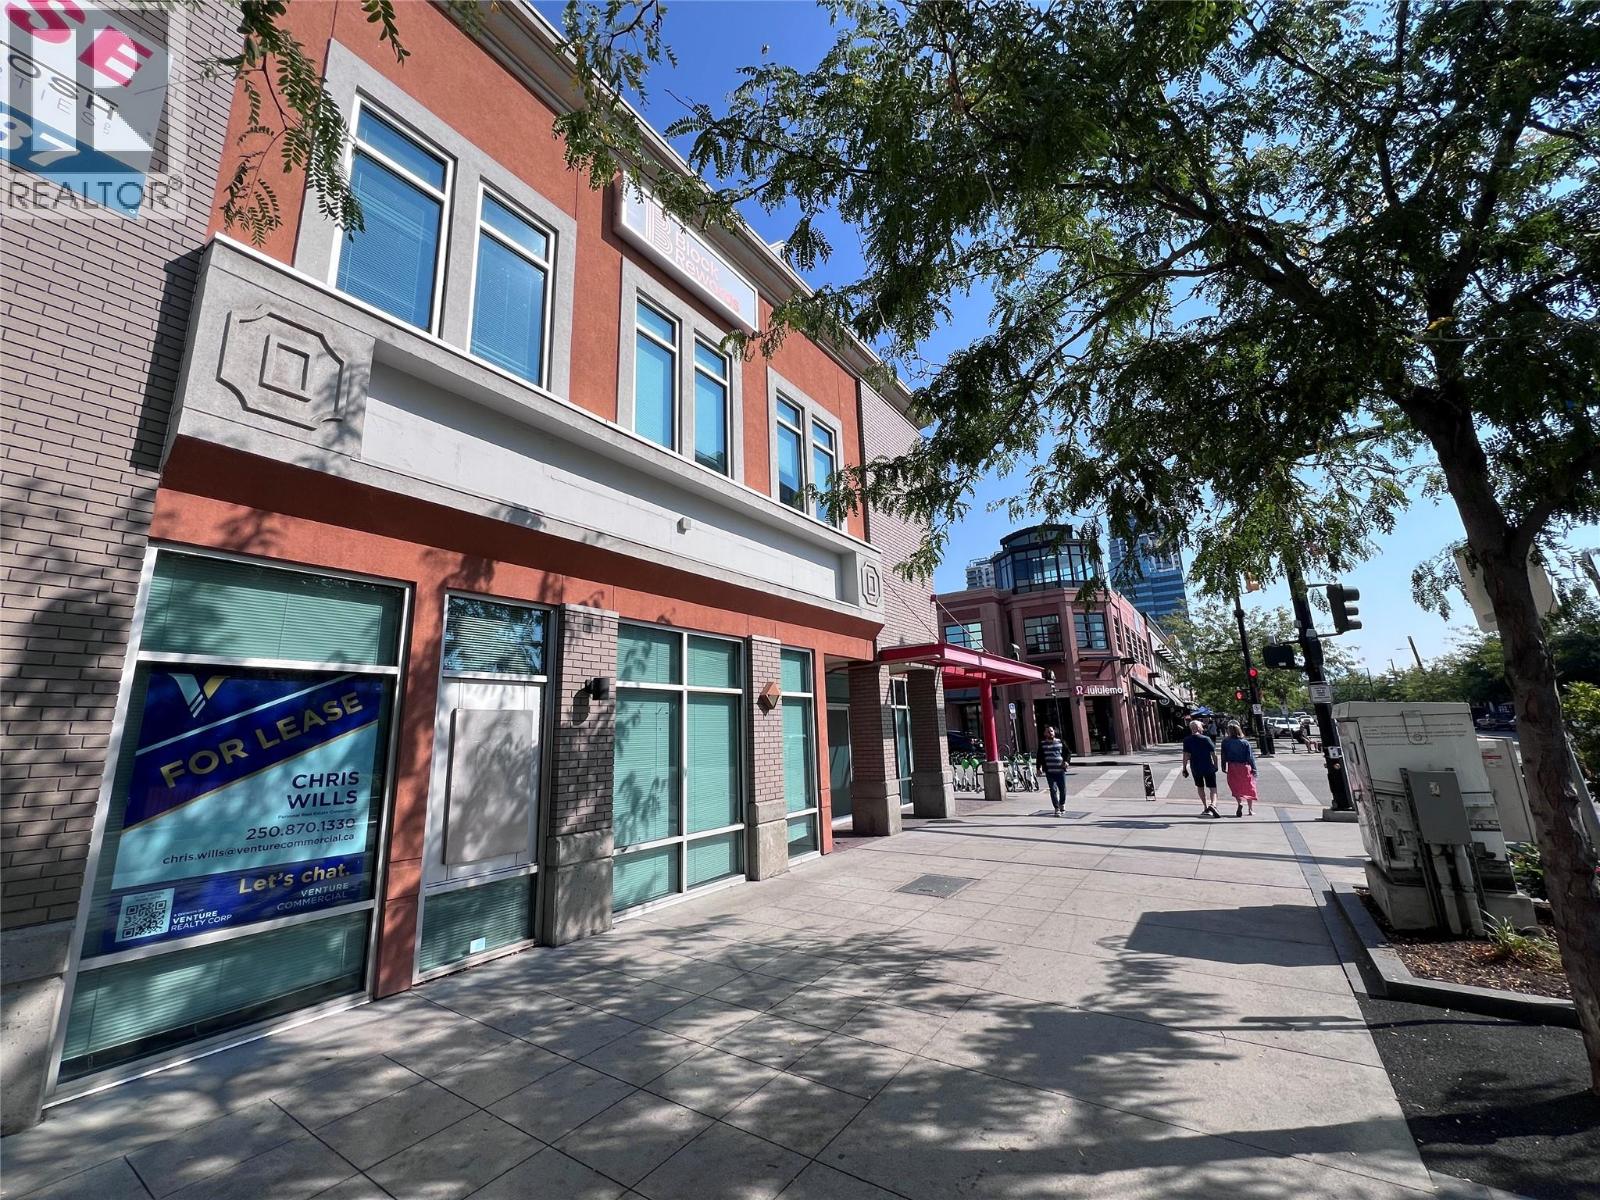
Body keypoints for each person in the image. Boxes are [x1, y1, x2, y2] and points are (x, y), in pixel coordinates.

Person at [1181, 719, 1221, 817]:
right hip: (1208, 766)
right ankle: (1213, 805)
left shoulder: (1187, 740)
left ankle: (1205, 807)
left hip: (1195, 767)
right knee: (1213, 788)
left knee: (1200, 787)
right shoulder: (1206, 739)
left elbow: (1186, 755)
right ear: (1199, 728)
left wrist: (1184, 768)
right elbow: (1214, 754)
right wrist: (1216, 765)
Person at [1220, 721, 1258, 817]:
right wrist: (1254, 768)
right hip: (1244, 766)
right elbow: (1250, 757)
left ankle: (1239, 803)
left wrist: (1223, 766)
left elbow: (1223, 756)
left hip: (1232, 766)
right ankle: (1250, 809)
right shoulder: (1244, 742)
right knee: (1249, 786)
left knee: (1235, 786)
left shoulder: (1225, 742)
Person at [1038, 725, 1068, 815]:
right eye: (1048, 731)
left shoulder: (1060, 742)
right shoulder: (1042, 744)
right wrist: (1038, 768)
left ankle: (1062, 804)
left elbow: (1067, 753)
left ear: (1054, 732)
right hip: (1049, 771)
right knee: (1053, 789)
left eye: (1051, 731)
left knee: (1063, 789)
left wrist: (1066, 761)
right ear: (1045, 734)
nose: (1050, 733)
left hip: (1060, 771)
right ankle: (1056, 808)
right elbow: (1039, 756)